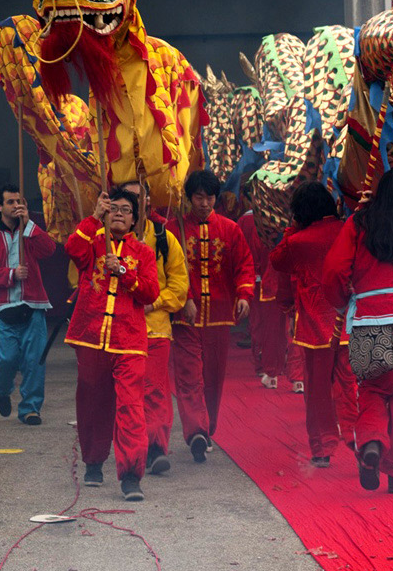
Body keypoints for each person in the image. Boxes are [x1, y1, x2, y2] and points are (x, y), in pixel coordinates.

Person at [322, 167, 393, 494]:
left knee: (372, 389)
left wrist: (343, 302)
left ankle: (370, 443)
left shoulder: (360, 223)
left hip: (371, 317)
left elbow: (334, 271)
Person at [64, 188, 159, 501]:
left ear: (134, 219)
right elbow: (71, 248)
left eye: (126, 210)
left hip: (128, 340)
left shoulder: (143, 253)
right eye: (113, 208)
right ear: (105, 212)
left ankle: (132, 474)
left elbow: (150, 292)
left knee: (131, 406)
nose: (119, 213)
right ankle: (93, 461)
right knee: (92, 398)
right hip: (90, 335)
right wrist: (92, 217)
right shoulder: (92, 240)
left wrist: (124, 272)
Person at [166, 170, 255, 463]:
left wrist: (244, 294)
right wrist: (185, 300)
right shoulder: (173, 229)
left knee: (213, 378)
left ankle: (208, 429)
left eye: (210, 198)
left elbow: (244, 264)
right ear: (189, 198)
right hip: (184, 318)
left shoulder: (230, 229)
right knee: (188, 375)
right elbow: (168, 270)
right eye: (199, 197)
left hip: (219, 316)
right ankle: (196, 432)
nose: (204, 203)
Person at [271, 181, 357, 467]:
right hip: (348, 321)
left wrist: (291, 229)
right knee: (349, 386)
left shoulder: (298, 242)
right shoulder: (349, 230)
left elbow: (277, 261)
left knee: (318, 390)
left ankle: (322, 447)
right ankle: (358, 438)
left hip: (315, 326)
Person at [121, 180, 189, 476]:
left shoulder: (164, 238)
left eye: (140, 197)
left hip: (155, 328)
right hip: (119, 331)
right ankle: (134, 447)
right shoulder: (106, 240)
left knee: (155, 391)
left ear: (149, 201)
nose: (136, 203)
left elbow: (179, 285)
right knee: (127, 395)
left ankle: (156, 447)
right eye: (129, 198)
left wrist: (154, 302)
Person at [0, 184, 55, 425]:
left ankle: (30, 409)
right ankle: (2, 388)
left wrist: (29, 224)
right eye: (11, 202)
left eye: (20, 202)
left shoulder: (30, 230)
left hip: (33, 306)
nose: (17, 206)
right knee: (5, 361)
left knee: (34, 361)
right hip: (3, 308)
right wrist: (10, 275)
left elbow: (49, 250)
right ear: (0, 207)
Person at [237, 194, 288, 389]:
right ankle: (279, 367)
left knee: (258, 325)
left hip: (253, 279)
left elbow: (241, 251)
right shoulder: (282, 219)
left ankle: (264, 365)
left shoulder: (244, 220)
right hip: (275, 278)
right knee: (281, 327)